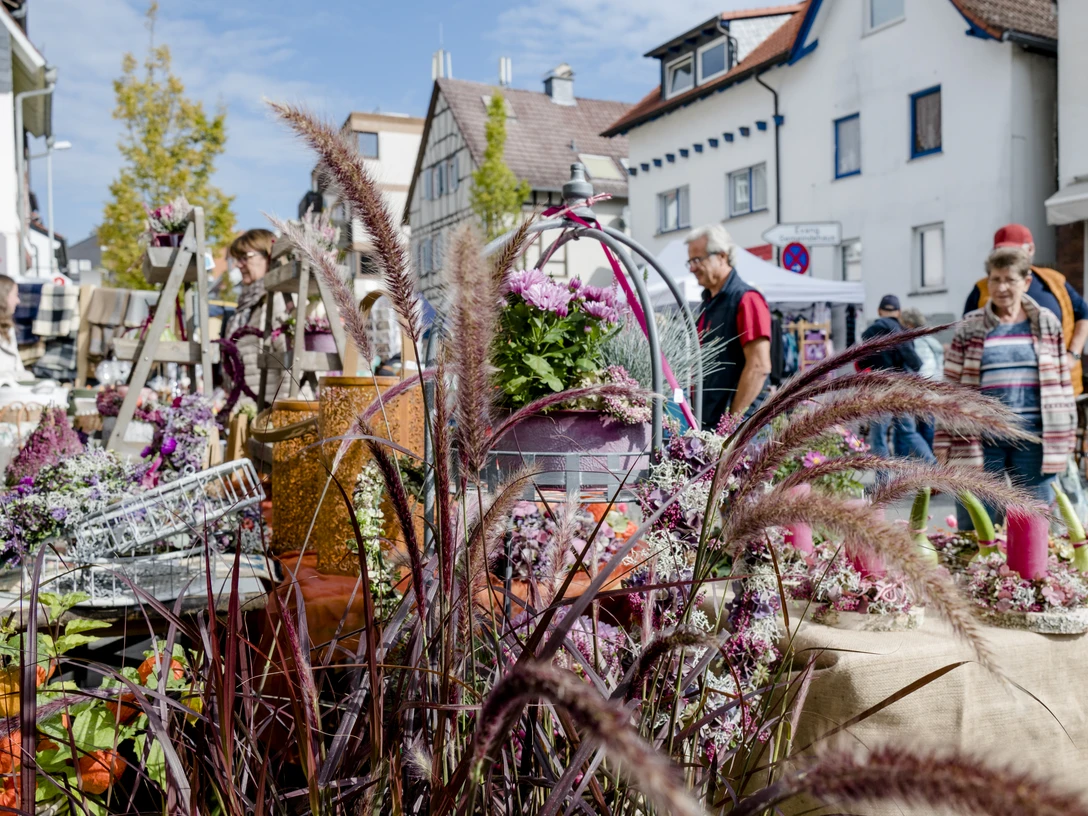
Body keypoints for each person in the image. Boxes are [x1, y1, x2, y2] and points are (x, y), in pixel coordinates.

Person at [938, 247, 1076, 527]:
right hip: (981, 440)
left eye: (1009, 280)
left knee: (1034, 525)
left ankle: (1030, 573)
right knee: (978, 523)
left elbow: (1062, 383)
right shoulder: (971, 326)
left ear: (1025, 282)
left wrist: (1066, 435)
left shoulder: (1045, 322)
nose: (1001, 288)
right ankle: (974, 570)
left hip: (1033, 439)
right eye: (995, 279)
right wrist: (943, 440)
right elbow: (949, 389)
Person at [964, 224, 1088, 396]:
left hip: (1054, 387)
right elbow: (966, 337)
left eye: (1013, 251)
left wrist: (1073, 354)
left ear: (1030, 250)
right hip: (1000, 392)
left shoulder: (1054, 281)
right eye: (1000, 252)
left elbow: (1083, 314)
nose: (1002, 287)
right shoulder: (982, 288)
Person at [686, 224, 772, 430]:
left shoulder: (746, 299)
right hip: (712, 424)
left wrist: (730, 425)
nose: (692, 268)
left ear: (722, 256)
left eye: (697, 260)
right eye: (690, 261)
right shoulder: (709, 303)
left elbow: (759, 367)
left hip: (738, 429)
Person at [859, 295, 934, 462]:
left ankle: (884, 482)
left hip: (880, 389)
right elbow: (915, 363)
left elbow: (862, 363)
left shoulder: (870, 333)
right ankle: (934, 466)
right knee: (908, 432)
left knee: (879, 437)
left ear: (879, 311)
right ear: (899, 312)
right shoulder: (902, 332)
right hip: (902, 388)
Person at [222, 229, 289, 407]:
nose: (238, 265)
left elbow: (291, 365)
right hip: (253, 411)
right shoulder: (250, 306)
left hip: (270, 416)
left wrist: (282, 415)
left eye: (245, 257)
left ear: (267, 257)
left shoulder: (278, 300)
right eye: (237, 259)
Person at [899, 307, 943, 450]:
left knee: (908, 429)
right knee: (927, 424)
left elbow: (914, 366)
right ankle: (927, 455)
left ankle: (921, 459)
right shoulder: (931, 341)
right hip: (931, 388)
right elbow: (938, 366)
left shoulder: (912, 343)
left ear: (909, 325)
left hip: (916, 389)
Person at [0, 275, 32, 382]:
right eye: (15, 295)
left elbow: (17, 368)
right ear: (3, 296)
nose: (18, 301)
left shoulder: (8, 328)